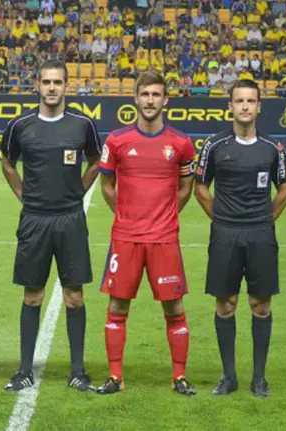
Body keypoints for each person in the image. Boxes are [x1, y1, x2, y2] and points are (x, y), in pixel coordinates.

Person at [1, 59, 101, 392]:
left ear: (66, 86)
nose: (52, 88)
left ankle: (78, 371)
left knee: (74, 296)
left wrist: (80, 190)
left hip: (70, 219)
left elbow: (96, 161)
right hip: (35, 219)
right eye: (46, 82)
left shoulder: (83, 125)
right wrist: (23, 194)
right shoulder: (20, 125)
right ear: (37, 85)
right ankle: (24, 370)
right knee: (33, 296)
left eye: (57, 82)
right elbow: (7, 163)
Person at [95, 71, 197, 396]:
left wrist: (165, 216)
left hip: (164, 239)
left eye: (156, 95)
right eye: (145, 94)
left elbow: (186, 187)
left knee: (174, 309)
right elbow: (107, 185)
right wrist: (127, 214)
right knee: (117, 307)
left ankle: (179, 377)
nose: (150, 100)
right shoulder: (116, 140)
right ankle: (115, 377)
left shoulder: (181, 143)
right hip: (126, 237)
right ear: (136, 98)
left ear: (165, 100)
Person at [193, 79, 286, 398]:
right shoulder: (214, 145)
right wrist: (222, 218)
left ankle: (259, 378)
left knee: (260, 305)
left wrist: (264, 219)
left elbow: (285, 190)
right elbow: (200, 188)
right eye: (239, 101)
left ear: (259, 106)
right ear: (231, 106)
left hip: (260, 234)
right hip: (225, 233)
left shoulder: (273, 147)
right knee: (226, 304)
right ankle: (229, 376)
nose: (245, 106)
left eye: (251, 101)